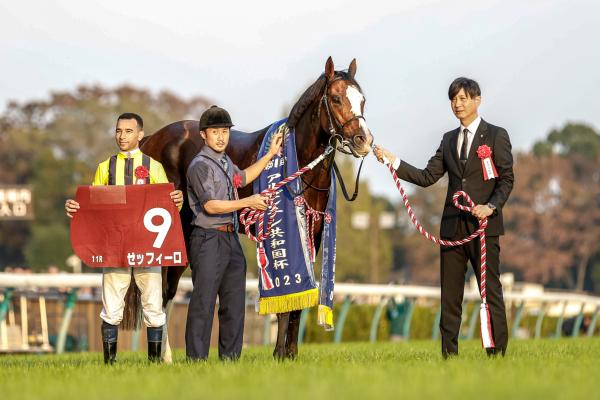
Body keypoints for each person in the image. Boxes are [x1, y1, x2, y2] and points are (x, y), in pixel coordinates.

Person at [374, 77, 514, 357]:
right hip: (452, 227)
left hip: (484, 226)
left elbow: (507, 180)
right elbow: (427, 177)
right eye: (453, 99)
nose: (457, 104)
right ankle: (449, 356)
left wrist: (491, 206)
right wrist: (394, 161)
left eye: (463, 98)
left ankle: (496, 355)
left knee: (490, 291)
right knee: (450, 296)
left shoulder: (497, 136)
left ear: (477, 100)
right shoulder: (449, 140)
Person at [65, 112, 183, 364]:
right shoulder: (104, 168)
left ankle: (153, 364)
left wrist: (178, 201)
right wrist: (76, 208)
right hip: (115, 247)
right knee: (112, 306)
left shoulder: (154, 167)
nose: (122, 136)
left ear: (140, 134)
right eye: (119, 131)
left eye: (128, 131)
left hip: (148, 247)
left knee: (153, 305)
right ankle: (110, 364)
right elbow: (92, 206)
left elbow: (168, 209)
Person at [185, 105, 282, 361]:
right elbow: (211, 206)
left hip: (230, 238)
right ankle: (196, 362)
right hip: (207, 239)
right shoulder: (200, 166)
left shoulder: (225, 161)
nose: (221, 137)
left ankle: (230, 361)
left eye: (225, 131)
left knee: (234, 305)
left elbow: (244, 178)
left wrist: (270, 154)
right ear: (203, 135)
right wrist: (248, 203)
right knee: (203, 304)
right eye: (215, 131)